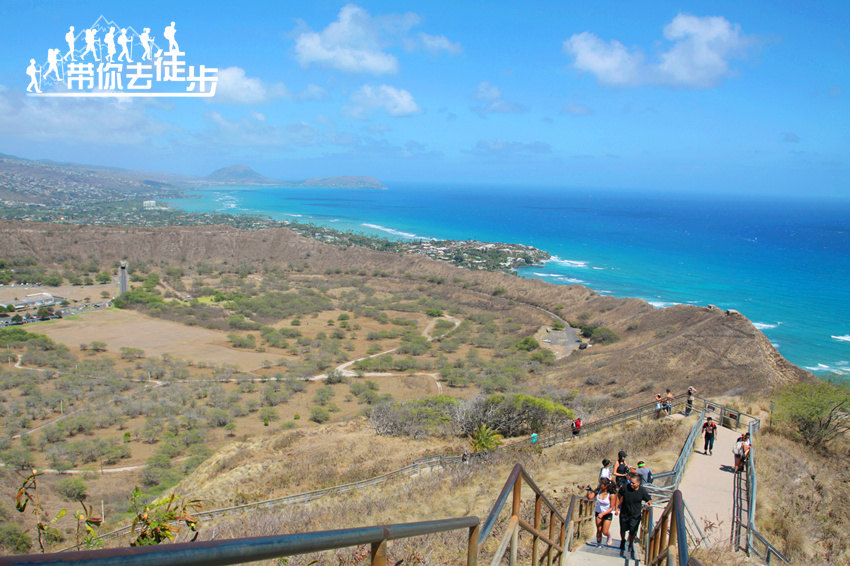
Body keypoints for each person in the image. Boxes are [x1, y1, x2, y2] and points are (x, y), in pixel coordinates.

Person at [617, 472, 652, 557]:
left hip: (635, 515)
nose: (631, 484)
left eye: (633, 483)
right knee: (623, 529)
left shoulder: (642, 491)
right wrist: (617, 506)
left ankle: (630, 544)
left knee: (633, 531)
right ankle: (623, 540)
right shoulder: (625, 487)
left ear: (638, 483)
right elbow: (619, 495)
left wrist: (649, 505)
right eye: (630, 482)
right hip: (624, 513)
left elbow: (648, 499)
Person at [586, 477, 618, 547]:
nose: (599, 486)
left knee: (605, 531)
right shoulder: (598, 491)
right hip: (598, 512)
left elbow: (611, 508)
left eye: (601, 484)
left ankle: (609, 536)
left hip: (607, 513)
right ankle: (598, 544)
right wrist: (588, 490)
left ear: (606, 486)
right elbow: (590, 497)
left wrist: (603, 514)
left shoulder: (611, 495)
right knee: (599, 529)